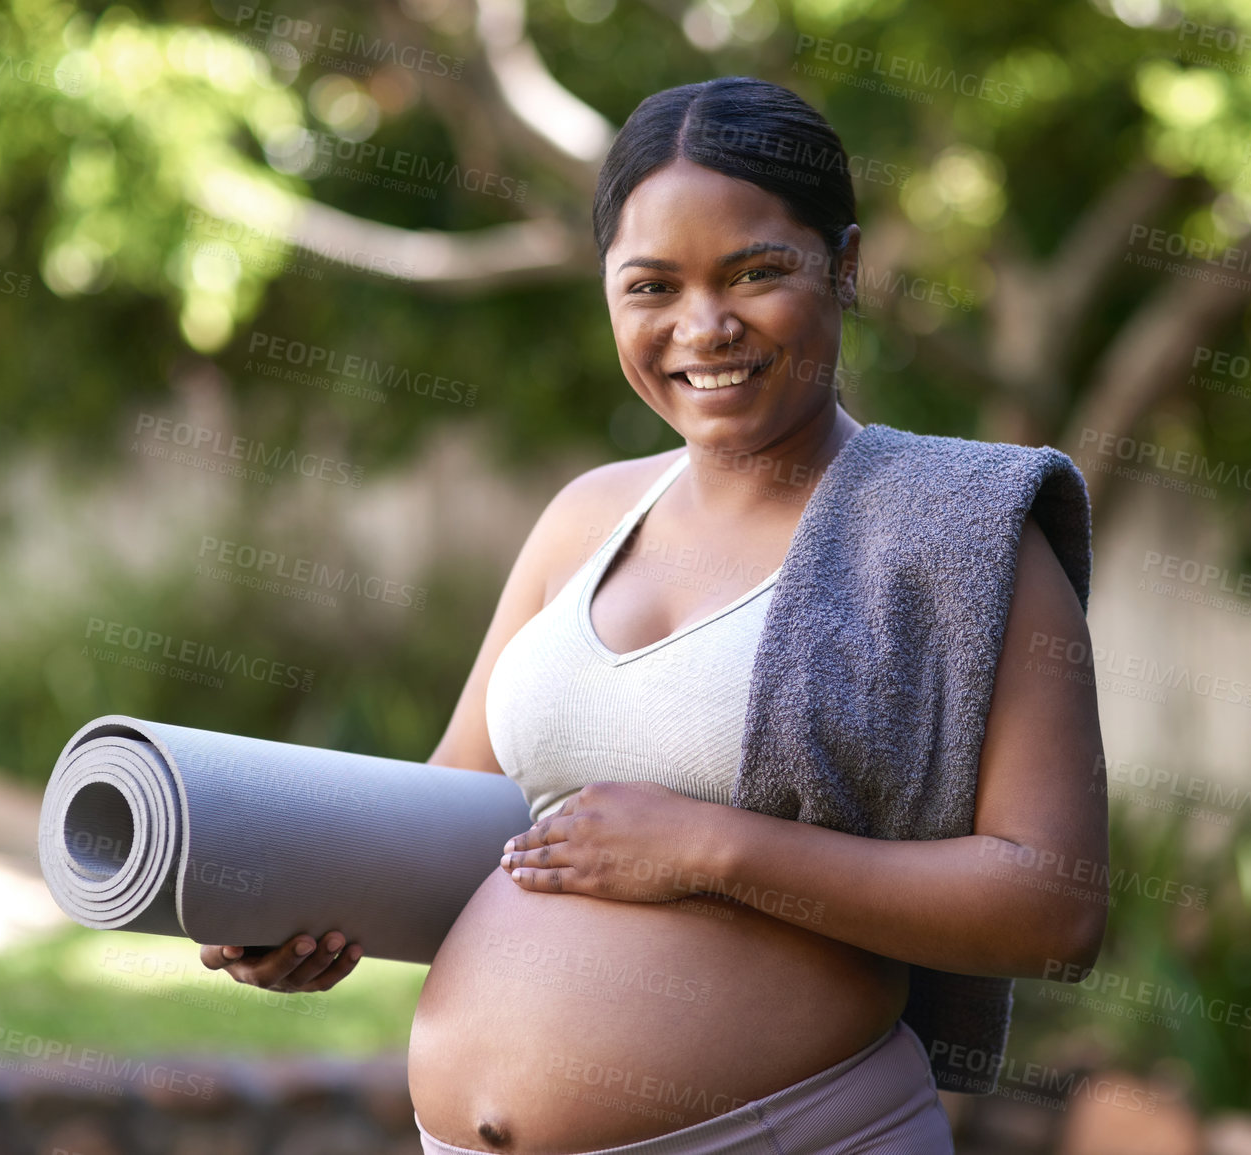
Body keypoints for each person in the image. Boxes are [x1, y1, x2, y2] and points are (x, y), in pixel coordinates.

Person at [200, 75, 1107, 1154]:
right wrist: (305, 908)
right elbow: (452, 822)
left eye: (757, 273)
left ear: (847, 266)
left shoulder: (951, 535)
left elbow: (1054, 911)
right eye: (652, 287)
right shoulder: (585, 516)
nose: (704, 327)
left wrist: (714, 851)